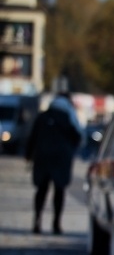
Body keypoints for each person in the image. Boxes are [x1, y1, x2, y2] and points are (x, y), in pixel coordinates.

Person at [25, 93, 83, 234]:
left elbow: (32, 137)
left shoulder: (42, 116)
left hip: (42, 157)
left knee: (41, 190)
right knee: (59, 190)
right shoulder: (68, 117)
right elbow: (78, 137)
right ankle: (56, 223)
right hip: (61, 159)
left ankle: (37, 220)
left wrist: (28, 156)